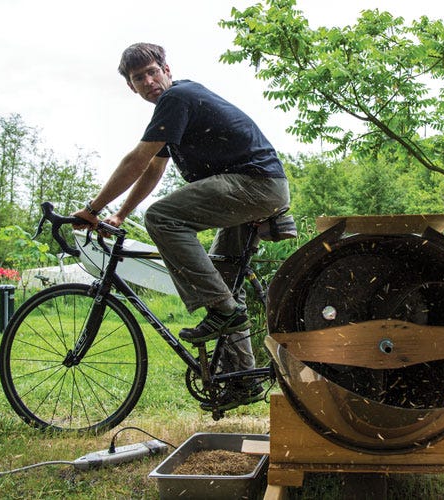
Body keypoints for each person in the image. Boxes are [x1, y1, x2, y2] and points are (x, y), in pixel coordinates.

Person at [72, 43, 290, 411]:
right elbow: (152, 168)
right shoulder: (172, 113)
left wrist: (92, 209)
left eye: (153, 71)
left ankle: (223, 310)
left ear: (167, 69)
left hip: (254, 184)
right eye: (138, 77)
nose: (149, 80)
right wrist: (120, 214)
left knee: (160, 217)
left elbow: (136, 159)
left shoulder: (177, 97)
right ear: (131, 86)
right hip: (254, 187)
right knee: (222, 280)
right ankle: (242, 379)